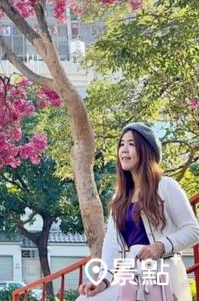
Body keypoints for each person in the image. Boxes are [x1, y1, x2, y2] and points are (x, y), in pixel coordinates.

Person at [78, 123, 199, 301]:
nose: (124, 150)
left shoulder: (166, 186)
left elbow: (193, 231)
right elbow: (112, 246)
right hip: (130, 278)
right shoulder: (119, 197)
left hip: (160, 277)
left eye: (131, 144)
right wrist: (102, 281)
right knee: (85, 299)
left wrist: (160, 246)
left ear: (146, 150)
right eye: (121, 144)